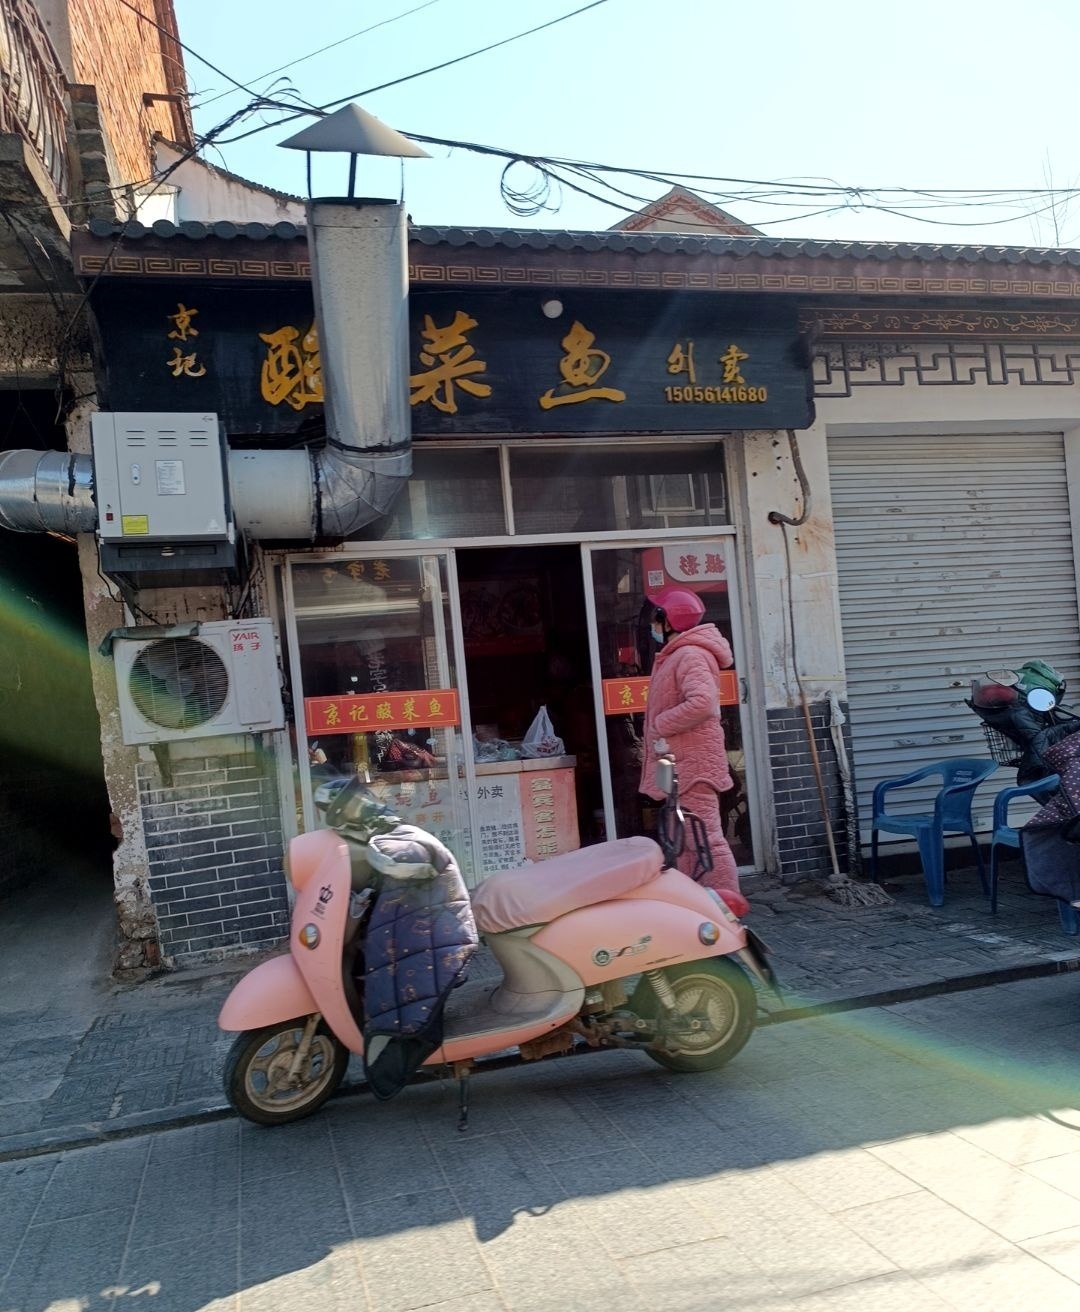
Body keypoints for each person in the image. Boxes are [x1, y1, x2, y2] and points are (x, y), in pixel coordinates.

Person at [638, 587, 740, 899]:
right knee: (680, 834)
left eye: (656, 617)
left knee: (704, 835)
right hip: (678, 760)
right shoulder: (678, 653)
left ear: (668, 621)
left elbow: (703, 703)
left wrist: (661, 724)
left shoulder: (690, 654)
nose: (652, 625)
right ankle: (696, 899)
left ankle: (727, 902)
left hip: (693, 763)